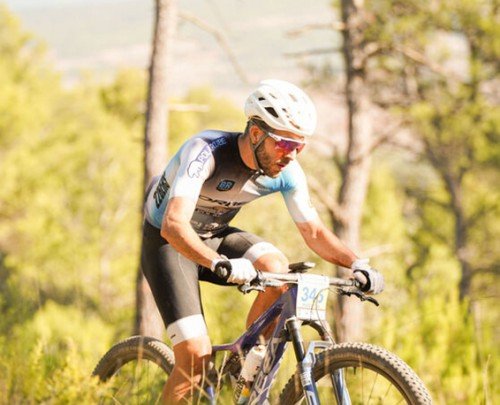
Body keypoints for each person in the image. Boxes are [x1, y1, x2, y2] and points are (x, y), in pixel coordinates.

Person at [141, 79, 384, 404]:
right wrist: (218, 263)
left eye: (300, 147)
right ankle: (200, 371)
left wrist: (357, 264)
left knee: (276, 268)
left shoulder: (287, 171)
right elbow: (173, 225)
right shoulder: (205, 151)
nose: (291, 156)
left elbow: (314, 232)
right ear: (256, 133)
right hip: (167, 244)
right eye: (285, 144)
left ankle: (243, 365)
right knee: (195, 357)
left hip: (212, 235)